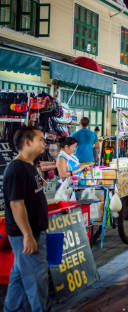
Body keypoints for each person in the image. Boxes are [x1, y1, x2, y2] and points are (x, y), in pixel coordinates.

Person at [3, 126, 51, 312]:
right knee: (36, 280)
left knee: (19, 277)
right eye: (40, 139)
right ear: (27, 142)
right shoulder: (16, 170)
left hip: (34, 231)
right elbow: (16, 204)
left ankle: (12, 309)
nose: (44, 143)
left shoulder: (29, 166)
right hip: (27, 234)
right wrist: (27, 235)